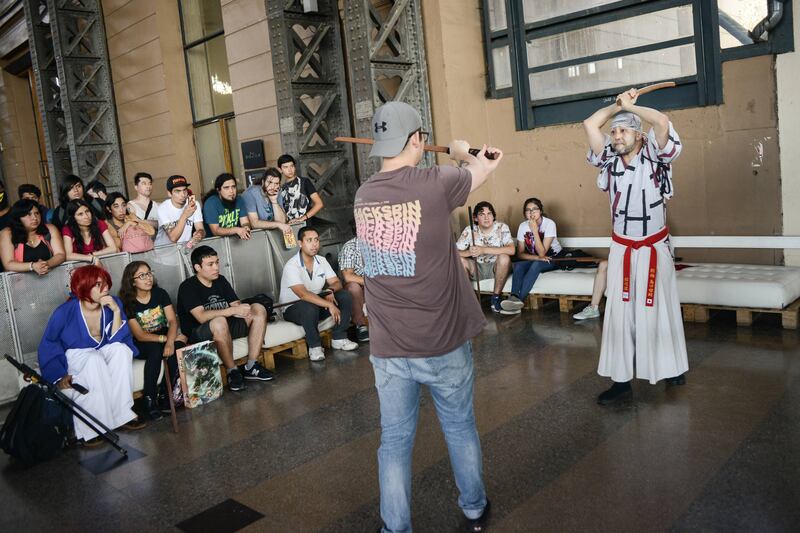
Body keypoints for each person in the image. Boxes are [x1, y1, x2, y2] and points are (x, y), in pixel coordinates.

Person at [354, 101, 502, 532]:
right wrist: (460, 151)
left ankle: (394, 528)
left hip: (388, 344)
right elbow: (486, 167)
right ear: (417, 139)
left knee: (394, 441)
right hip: (442, 340)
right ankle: (473, 508)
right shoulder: (437, 182)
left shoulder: (364, 196)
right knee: (459, 427)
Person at [583, 87, 688, 405]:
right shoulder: (608, 161)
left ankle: (671, 368)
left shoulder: (656, 155)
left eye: (623, 131)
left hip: (655, 248)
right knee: (620, 314)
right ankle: (620, 380)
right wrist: (618, 107)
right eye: (614, 131)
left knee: (661, 308)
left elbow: (661, 121)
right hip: (623, 249)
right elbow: (590, 124)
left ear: (639, 135)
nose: (616, 136)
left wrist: (632, 107)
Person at [38, 265, 144, 445]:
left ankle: (122, 415)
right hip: (77, 355)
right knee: (94, 360)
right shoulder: (64, 312)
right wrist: (58, 376)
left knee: (121, 350)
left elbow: (119, 339)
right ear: (84, 287)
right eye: (98, 285)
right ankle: (92, 427)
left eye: (106, 283)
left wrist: (116, 311)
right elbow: (49, 344)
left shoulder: (114, 303)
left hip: (102, 349)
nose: (106, 288)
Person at [176, 245, 272, 392]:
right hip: (199, 333)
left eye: (217, 262)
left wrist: (242, 310)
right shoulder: (187, 287)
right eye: (210, 264)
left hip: (225, 327)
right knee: (219, 321)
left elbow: (236, 304)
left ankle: (252, 366)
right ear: (197, 267)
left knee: (258, 309)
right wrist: (232, 310)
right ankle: (232, 371)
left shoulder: (220, 280)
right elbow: (201, 317)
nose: (216, 267)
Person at [280, 226, 358, 361]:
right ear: (300, 243)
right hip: (294, 308)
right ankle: (315, 347)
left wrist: (330, 290)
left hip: (317, 303)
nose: (314, 244)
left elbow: (337, 282)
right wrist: (329, 305)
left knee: (344, 296)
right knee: (308, 305)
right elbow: (303, 295)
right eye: (309, 240)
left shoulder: (321, 260)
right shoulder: (291, 265)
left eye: (316, 240)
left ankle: (339, 338)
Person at [120, 261, 184, 421]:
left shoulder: (160, 293)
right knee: (155, 351)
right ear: (132, 281)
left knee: (178, 346)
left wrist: (170, 342)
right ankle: (149, 400)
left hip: (164, 337)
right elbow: (140, 335)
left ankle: (165, 395)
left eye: (149, 273)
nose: (148, 278)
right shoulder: (128, 302)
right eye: (142, 276)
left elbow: (172, 321)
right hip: (142, 343)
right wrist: (166, 340)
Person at [500, 198, 563, 314]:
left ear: (540, 211)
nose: (531, 212)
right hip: (536, 258)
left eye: (535, 209)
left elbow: (542, 253)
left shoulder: (549, 224)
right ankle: (513, 297)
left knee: (536, 265)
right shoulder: (523, 226)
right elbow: (520, 254)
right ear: (524, 213)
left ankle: (517, 302)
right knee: (519, 266)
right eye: (528, 210)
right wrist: (537, 258)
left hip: (553, 258)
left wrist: (534, 230)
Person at [456, 201, 514, 314]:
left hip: (496, 268)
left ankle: (495, 298)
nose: (486, 217)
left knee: (504, 257)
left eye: (489, 214)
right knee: (460, 260)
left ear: (493, 216)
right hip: (476, 268)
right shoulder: (469, 230)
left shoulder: (501, 227)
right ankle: (469, 300)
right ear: (476, 218)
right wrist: (469, 252)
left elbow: (511, 250)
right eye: (482, 214)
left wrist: (483, 250)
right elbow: (453, 252)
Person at [0, 199, 66, 274]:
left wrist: (46, 264)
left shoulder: (50, 229)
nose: (34, 217)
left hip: (51, 277)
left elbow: (60, 254)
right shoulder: (7, 233)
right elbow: (8, 264)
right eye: (29, 214)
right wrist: (32, 266)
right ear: (18, 217)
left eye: (37, 213)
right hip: (20, 280)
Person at [62, 199, 118, 263]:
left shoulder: (99, 224)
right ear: (73, 218)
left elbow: (113, 248)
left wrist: (93, 254)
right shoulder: (68, 229)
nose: (86, 216)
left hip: (100, 262)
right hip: (79, 266)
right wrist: (91, 258)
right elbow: (68, 255)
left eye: (87, 211)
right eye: (80, 214)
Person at [155, 175, 205, 247]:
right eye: (177, 191)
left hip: (184, 248)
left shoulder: (194, 204)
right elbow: (173, 238)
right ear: (169, 193)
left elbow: (201, 229)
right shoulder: (163, 208)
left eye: (184, 190)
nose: (183, 195)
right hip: (164, 250)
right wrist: (185, 215)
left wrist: (199, 234)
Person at [242, 167, 292, 235]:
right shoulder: (250, 193)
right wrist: (278, 225)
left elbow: (282, 222)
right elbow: (255, 224)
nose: (272, 187)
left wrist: (274, 202)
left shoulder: (277, 192)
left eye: (276, 183)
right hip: (255, 235)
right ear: (263, 182)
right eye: (270, 182)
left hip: (273, 234)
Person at [277, 154, 324, 226]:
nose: (290, 170)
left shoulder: (304, 182)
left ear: (295, 167)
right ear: (280, 170)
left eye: (292, 166)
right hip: (289, 227)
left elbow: (319, 204)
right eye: (286, 167)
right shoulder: (281, 189)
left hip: (306, 225)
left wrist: (303, 218)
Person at [338, 236, 369, 342]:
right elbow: (348, 277)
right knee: (353, 288)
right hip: (357, 288)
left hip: (372, 285)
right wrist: (373, 283)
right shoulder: (350, 247)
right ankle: (360, 325)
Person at [202, 173, 251, 239]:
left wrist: (246, 227)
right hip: (214, 242)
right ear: (218, 190)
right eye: (226, 188)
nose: (231, 191)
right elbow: (215, 231)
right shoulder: (210, 203)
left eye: (233, 187)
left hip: (234, 240)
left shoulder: (239, 199)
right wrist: (236, 230)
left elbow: (245, 222)